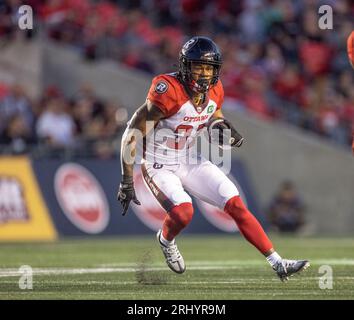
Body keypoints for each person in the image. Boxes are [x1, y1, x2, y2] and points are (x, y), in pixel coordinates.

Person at [117, 36, 309, 282]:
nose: (205, 73)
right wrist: (126, 180)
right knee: (184, 213)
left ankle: (278, 262)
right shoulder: (168, 91)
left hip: (189, 158)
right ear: (186, 66)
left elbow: (213, 116)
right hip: (158, 163)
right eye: (198, 66)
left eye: (209, 68)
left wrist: (223, 129)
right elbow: (132, 133)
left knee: (235, 203)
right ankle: (166, 239)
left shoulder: (216, 90)